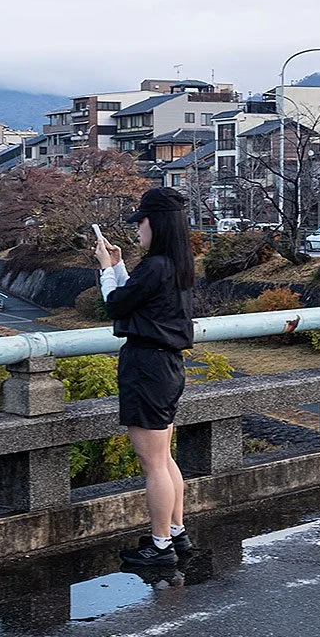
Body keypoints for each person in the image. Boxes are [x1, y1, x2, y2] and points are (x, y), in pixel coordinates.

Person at [94, 187, 196, 568]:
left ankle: (160, 545)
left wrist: (106, 268)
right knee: (164, 458)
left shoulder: (156, 266)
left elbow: (116, 304)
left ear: (157, 223)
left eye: (140, 221)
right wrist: (119, 268)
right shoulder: (176, 265)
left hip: (147, 367)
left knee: (152, 463)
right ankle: (177, 532)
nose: (137, 228)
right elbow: (135, 296)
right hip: (166, 366)